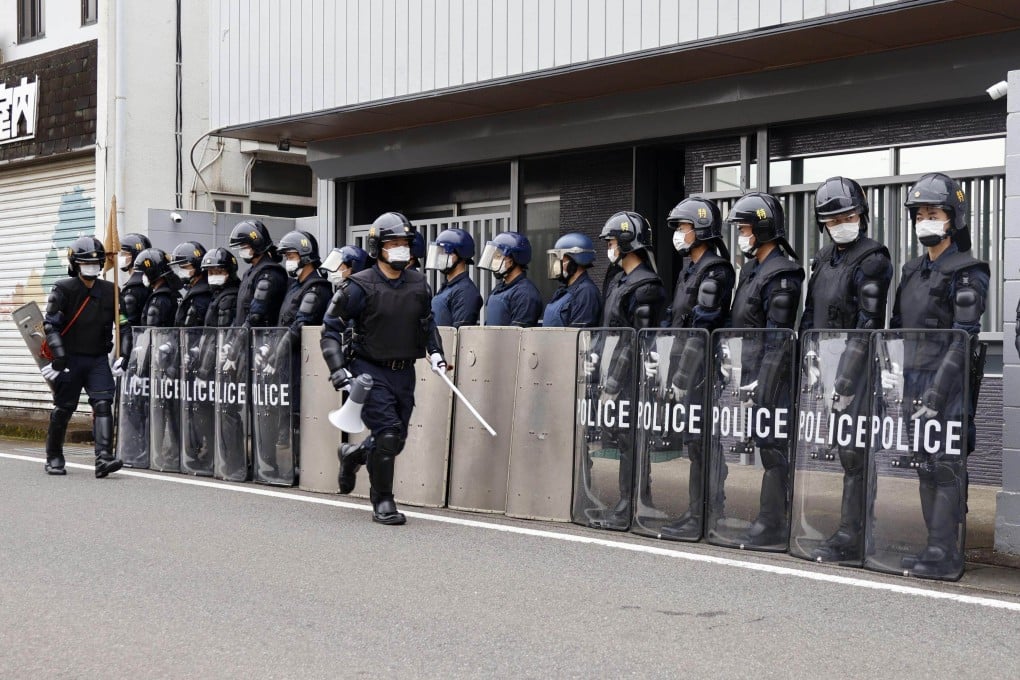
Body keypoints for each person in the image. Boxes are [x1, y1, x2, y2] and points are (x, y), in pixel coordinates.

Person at [889, 172, 989, 578]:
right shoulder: (911, 270)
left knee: (946, 465)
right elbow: (896, 328)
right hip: (912, 382)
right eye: (919, 215)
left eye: (933, 214)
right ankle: (933, 544)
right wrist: (890, 371)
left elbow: (963, 337)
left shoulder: (968, 271)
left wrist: (936, 393)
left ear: (953, 218)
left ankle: (945, 551)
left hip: (948, 389)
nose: (924, 221)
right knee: (924, 464)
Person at [320, 212, 448, 525]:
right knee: (387, 434)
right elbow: (330, 328)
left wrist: (436, 353)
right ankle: (383, 501)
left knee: (397, 438)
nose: (400, 248)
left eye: (405, 243)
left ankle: (354, 455)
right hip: (368, 369)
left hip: (404, 372)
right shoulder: (358, 286)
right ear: (378, 247)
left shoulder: (419, 284)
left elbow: (427, 323)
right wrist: (338, 370)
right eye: (393, 243)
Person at [799, 177, 893, 562]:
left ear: (862, 215)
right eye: (833, 219)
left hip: (858, 371)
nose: (841, 223)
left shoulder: (873, 259)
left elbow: (868, 324)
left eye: (848, 216)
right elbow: (810, 314)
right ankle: (849, 529)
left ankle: (853, 534)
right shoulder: (823, 258)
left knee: (856, 454)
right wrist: (808, 358)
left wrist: (846, 380)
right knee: (843, 450)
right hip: (826, 363)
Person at [650, 197, 735, 540]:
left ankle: (706, 512)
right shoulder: (690, 270)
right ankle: (698, 510)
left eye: (683, 228)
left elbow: (703, 326)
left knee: (703, 443)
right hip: (684, 366)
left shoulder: (716, 270)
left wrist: (683, 376)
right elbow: (676, 317)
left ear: (700, 229)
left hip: (703, 370)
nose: (679, 234)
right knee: (695, 443)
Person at [724, 192, 804, 547]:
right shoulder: (751, 271)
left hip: (774, 378)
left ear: (762, 229)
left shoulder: (782, 273)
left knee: (773, 448)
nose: (741, 235)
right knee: (763, 444)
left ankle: (773, 523)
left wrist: (763, 387)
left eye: (744, 229)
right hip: (752, 373)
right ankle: (769, 518)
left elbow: (778, 339)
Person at [583, 211, 667, 530]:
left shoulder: (646, 286)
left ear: (628, 243)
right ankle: (626, 501)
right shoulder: (619, 280)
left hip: (633, 378)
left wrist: (615, 381)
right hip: (612, 372)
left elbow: (636, 340)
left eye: (613, 242)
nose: (610, 248)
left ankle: (632, 503)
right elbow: (607, 329)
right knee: (622, 439)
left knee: (632, 441)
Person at [254, 230, 333, 482]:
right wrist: (268, 349)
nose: (288, 260)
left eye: (291, 255)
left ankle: (300, 467)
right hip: (285, 361)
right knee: (283, 414)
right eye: (287, 256)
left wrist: (275, 356)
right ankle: (280, 465)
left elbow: (300, 325)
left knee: (298, 414)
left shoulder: (316, 288)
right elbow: (283, 324)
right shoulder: (295, 286)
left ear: (306, 256)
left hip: (302, 363)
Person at [40, 236, 121, 478]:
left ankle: (104, 458)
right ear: (75, 264)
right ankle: (54, 456)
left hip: (98, 358)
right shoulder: (63, 289)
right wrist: (59, 356)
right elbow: (51, 325)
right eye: (86, 262)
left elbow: (124, 326)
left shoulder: (111, 291)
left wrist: (123, 355)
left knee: (103, 403)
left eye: (96, 262)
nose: (92, 266)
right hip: (70, 359)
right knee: (64, 408)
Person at [229, 219, 288, 327]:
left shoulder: (270, 273)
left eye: (244, 246)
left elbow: (257, 312)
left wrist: (242, 332)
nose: (241, 250)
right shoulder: (248, 273)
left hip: (261, 335)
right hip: (244, 334)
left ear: (257, 244)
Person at [479, 232, 543, 327]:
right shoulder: (500, 288)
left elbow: (518, 333)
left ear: (513, 259)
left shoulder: (525, 293)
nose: (494, 261)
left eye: (498, 256)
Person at [542, 232, 602, 328]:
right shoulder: (563, 291)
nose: (556, 265)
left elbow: (578, 333)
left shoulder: (586, 292)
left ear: (574, 261)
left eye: (561, 260)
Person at [426, 228, 483, 327]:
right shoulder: (449, 286)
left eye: (444, 252)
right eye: (439, 253)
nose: (440, 256)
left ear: (460, 254)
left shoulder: (465, 291)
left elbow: (460, 332)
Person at [113, 232, 152, 373]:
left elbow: (128, 326)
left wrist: (124, 355)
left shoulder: (134, 288)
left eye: (124, 253)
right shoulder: (145, 283)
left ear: (136, 255)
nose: (121, 257)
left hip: (134, 350)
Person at [170, 241, 211, 328]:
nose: (181, 271)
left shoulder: (202, 295)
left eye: (184, 267)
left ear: (198, 266)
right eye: (180, 267)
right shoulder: (193, 290)